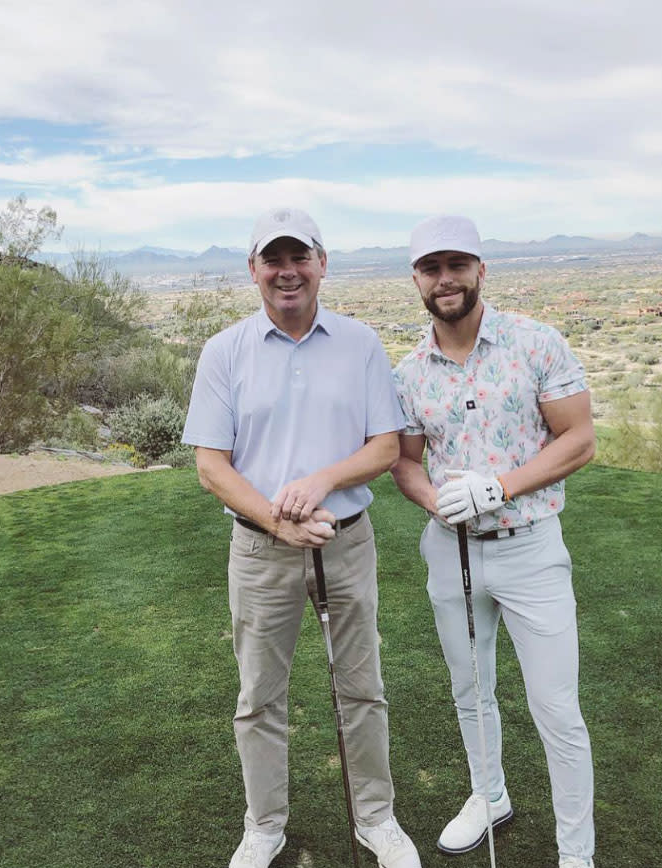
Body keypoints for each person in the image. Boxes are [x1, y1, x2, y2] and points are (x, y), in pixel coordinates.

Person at [182, 207, 421, 868]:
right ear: (253, 270)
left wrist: (319, 481)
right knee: (259, 695)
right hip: (260, 549)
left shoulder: (359, 342)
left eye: (299, 257)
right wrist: (275, 519)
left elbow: (384, 446)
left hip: (346, 540)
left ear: (321, 263)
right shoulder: (224, 350)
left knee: (361, 685)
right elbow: (210, 465)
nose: (287, 272)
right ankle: (264, 826)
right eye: (272, 259)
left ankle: (376, 818)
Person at [390, 215, 597, 868]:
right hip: (450, 551)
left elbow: (577, 439)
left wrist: (498, 487)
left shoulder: (534, 342)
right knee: (468, 689)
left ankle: (575, 853)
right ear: (417, 280)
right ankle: (490, 796)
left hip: (530, 547)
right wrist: (436, 500)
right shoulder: (409, 370)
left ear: (481, 270)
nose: (444, 279)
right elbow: (404, 461)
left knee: (555, 707)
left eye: (456, 265)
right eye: (431, 268)